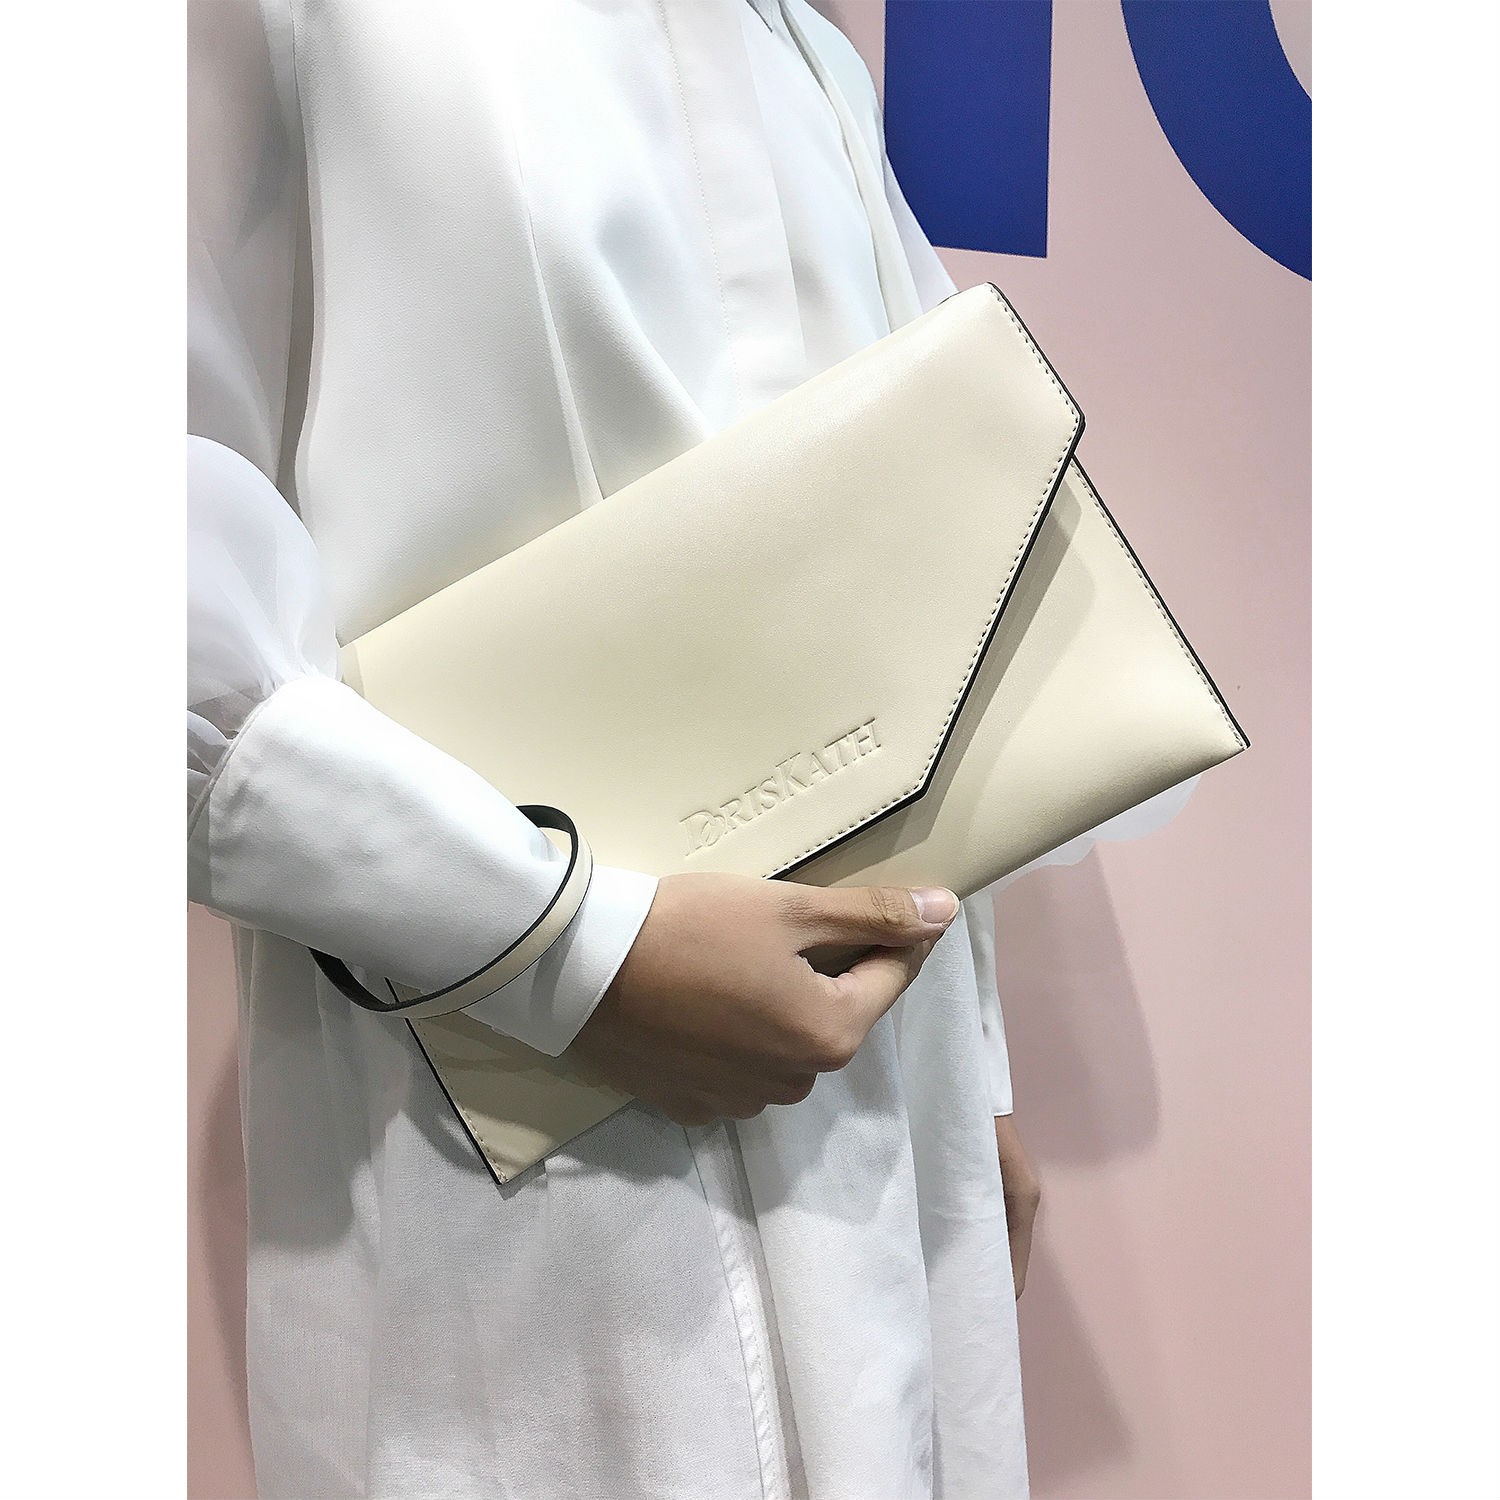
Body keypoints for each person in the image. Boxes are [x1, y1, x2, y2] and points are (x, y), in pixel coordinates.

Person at [188, 2, 1185, 1494]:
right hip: (507, 1151)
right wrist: (560, 943)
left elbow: (912, 605)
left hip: (880, 1124)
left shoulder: (801, 51)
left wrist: (970, 1076)